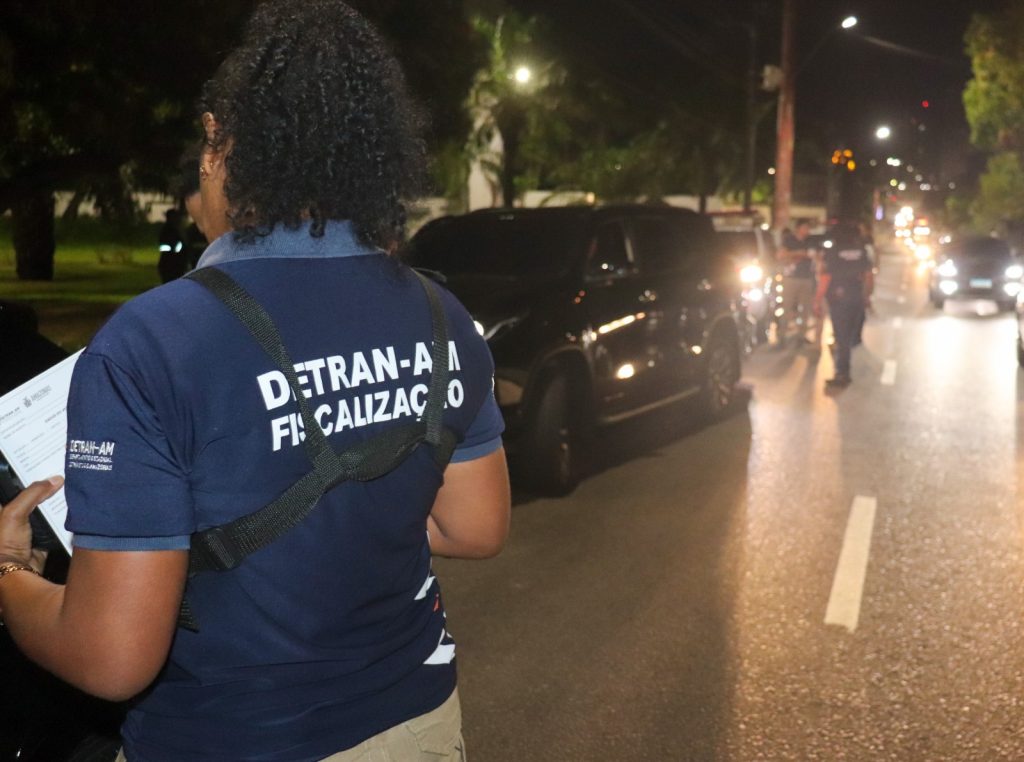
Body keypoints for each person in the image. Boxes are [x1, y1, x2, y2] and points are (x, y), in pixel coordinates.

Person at [0, 3, 511, 761]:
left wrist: (9, 572)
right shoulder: (441, 314)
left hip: (229, 737)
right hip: (416, 723)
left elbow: (111, 656)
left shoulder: (151, 342)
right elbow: (474, 527)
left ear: (217, 142)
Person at [814, 222, 874, 388]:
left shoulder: (832, 252)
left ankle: (842, 372)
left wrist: (817, 300)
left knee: (842, 337)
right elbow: (869, 276)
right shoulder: (861, 251)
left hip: (838, 299)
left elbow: (825, 278)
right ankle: (843, 364)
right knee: (848, 336)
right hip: (856, 298)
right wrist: (867, 295)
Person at [776, 221, 818, 348]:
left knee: (805, 310)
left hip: (807, 278)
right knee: (787, 308)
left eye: (808, 228)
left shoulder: (811, 241)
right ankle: (781, 337)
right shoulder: (789, 240)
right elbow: (781, 255)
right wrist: (799, 253)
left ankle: (801, 337)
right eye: (805, 227)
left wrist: (802, 255)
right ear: (798, 228)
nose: (807, 231)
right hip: (791, 278)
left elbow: (815, 255)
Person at [156, 207, 187, 282]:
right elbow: (164, 246)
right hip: (170, 263)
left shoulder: (176, 230)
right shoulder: (167, 231)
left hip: (174, 263)